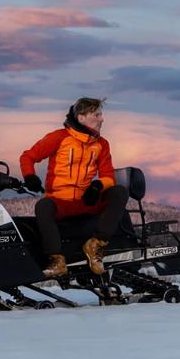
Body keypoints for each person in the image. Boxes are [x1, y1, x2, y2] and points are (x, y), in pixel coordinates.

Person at [20, 97, 129, 278]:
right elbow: (27, 157)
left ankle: (96, 245)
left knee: (120, 192)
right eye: (97, 115)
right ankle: (57, 261)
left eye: (101, 115)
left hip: (85, 200)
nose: (102, 119)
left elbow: (109, 177)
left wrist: (97, 186)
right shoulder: (59, 137)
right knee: (42, 206)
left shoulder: (102, 144)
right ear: (81, 118)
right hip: (60, 201)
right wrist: (29, 176)